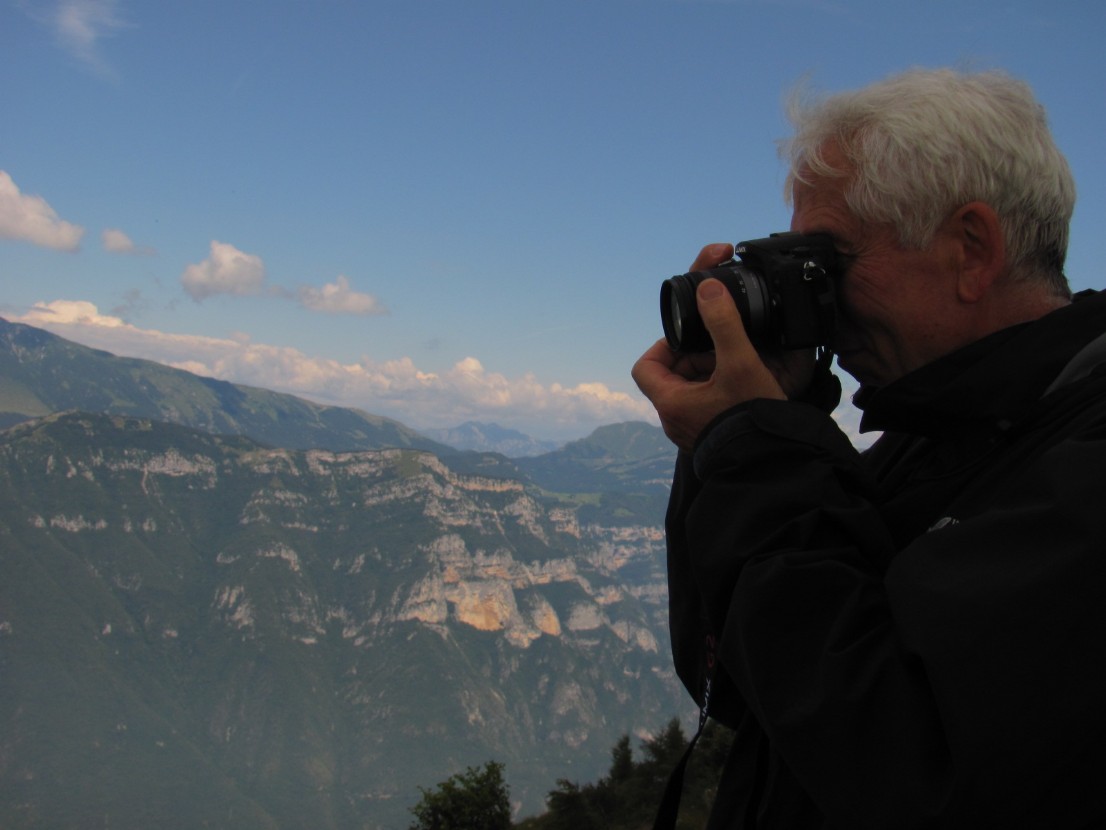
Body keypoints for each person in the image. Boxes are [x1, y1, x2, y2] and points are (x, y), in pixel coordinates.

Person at [632, 68, 1106, 828]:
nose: (820, 301)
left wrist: (755, 450)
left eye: (831, 260)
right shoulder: (926, 442)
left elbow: (905, 765)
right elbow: (737, 682)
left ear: (971, 250)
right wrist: (744, 432)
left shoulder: (1083, 458)